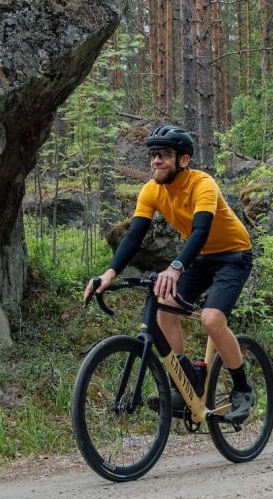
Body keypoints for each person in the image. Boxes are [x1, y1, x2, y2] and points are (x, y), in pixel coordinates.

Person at [83, 124, 256, 420]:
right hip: (200, 258)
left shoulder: (203, 184)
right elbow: (134, 236)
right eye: (153, 155)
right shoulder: (151, 190)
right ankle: (186, 381)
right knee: (164, 308)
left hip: (233, 255)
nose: (156, 161)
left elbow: (201, 231)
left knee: (211, 319)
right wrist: (109, 274)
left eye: (164, 155)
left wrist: (176, 267)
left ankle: (242, 389)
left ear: (183, 160)